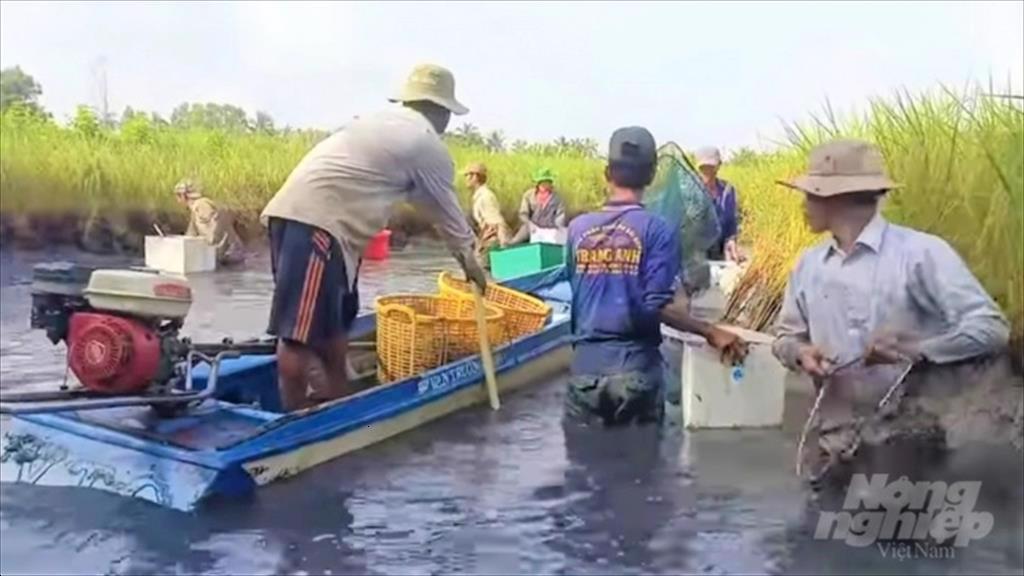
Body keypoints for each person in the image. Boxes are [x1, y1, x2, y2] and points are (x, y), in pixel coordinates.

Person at [771, 139, 1010, 484]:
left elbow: (991, 328)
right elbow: (784, 338)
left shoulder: (921, 254)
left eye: (809, 194)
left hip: (915, 450)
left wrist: (917, 349)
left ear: (835, 198)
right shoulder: (808, 266)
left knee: (901, 532)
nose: (802, 205)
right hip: (834, 449)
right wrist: (800, 353)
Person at [260, 63, 487, 412]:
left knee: (335, 326)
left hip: (321, 229)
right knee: (298, 333)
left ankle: (340, 401)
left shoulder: (377, 123)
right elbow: (449, 216)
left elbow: (425, 204)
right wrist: (471, 263)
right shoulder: (425, 144)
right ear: (441, 111)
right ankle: (295, 419)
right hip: (317, 225)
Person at [565, 126, 748, 426]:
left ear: (606, 173)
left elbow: (579, 290)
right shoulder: (658, 229)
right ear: (651, 176)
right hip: (635, 372)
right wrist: (710, 331)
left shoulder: (577, 229)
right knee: (643, 468)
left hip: (585, 372)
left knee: (584, 466)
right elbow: (657, 305)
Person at [173, 179, 247, 266]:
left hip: (229, 254)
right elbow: (191, 234)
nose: (176, 199)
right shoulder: (195, 210)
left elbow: (214, 232)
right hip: (219, 255)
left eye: (177, 196)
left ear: (183, 196)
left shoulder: (201, 205)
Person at [695, 147, 741, 262]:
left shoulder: (727, 191)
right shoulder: (690, 191)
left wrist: (731, 241)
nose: (708, 172)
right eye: (704, 168)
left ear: (718, 166)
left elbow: (731, 224)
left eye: (711, 167)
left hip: (720, 251)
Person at [464, 162, 511, 269]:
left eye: (467, 175)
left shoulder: (485, 197)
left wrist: (504, 247)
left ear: (475, 176)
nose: (466, 179)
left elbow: (498, 222)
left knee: (482, 271)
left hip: (491, 242)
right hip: (487, 241)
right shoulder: (480, 195)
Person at [510, 168, 567, 244]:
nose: (544, 185)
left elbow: (560, 216)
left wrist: (557, 228)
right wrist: (530, 225)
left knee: (561, 237)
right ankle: (509, 247)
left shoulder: (557, 198)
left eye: (546, 182)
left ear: (550, 183)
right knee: (517, 239)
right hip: (532, 227)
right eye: (541, 182)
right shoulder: (529, 195)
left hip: (550, 228)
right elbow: (523, 214)